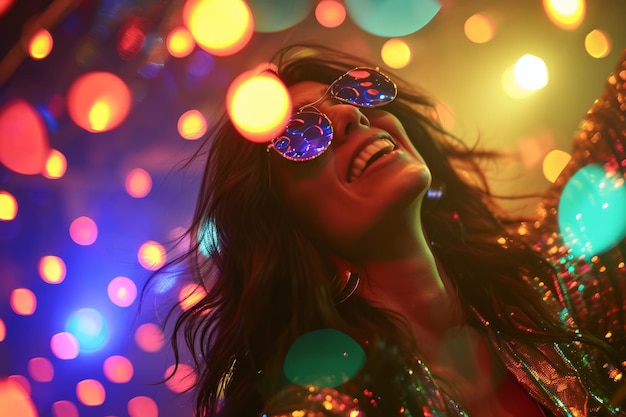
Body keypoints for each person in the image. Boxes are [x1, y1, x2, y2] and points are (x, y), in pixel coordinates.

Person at [155, 44, 626, 416]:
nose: (348, 115)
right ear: (285, 227)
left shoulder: (540, 293)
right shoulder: (324, 408)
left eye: (351, 95)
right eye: (303, 132)